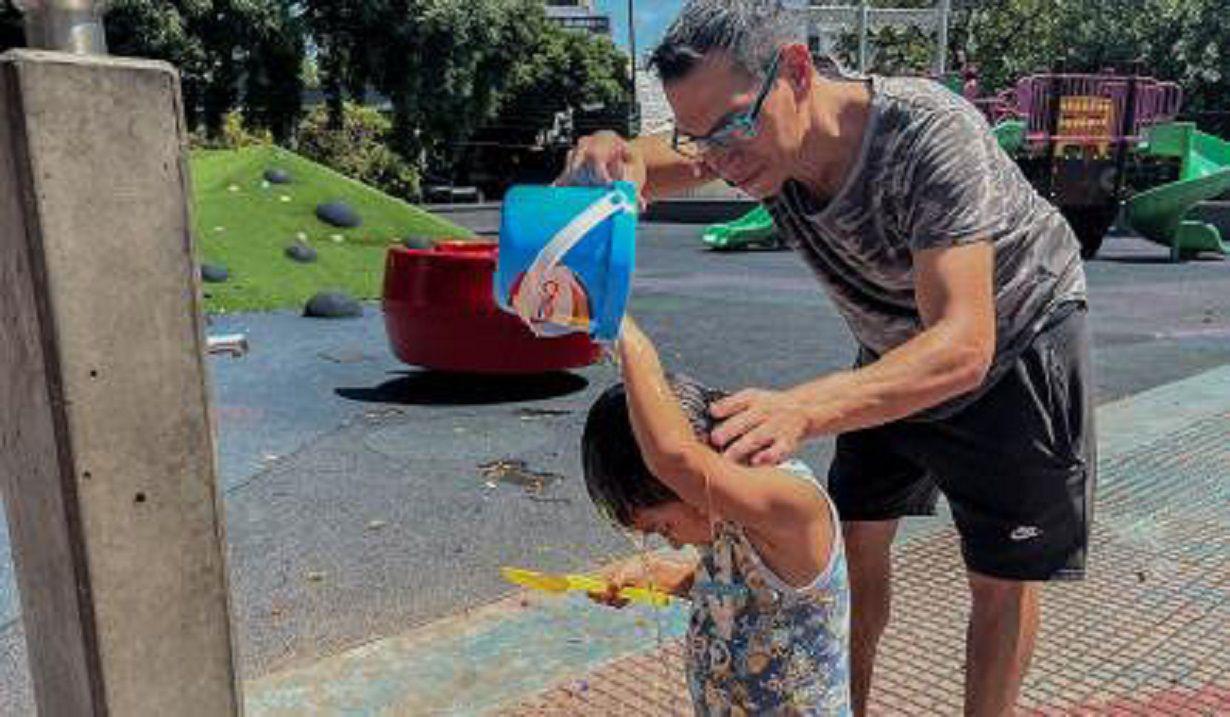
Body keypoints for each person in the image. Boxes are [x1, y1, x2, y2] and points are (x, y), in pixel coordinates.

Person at [557, 2, 1095, 715]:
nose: (721, 162)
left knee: (999, 575)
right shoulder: (749, 142)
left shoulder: (927, 134)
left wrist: (804, 408)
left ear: (798, 71)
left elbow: (965, 343)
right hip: (892, 344)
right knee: (849, 539)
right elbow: (633, 168)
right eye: (699, 140)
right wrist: (607, 155)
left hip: (1013, 337)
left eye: (733, 129)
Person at [581, 317, 850, 715]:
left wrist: (620, 328)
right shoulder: (721, 522)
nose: (674, 542)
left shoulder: (792, 509)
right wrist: (669, 575)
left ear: (689, 484)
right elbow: (749, 595)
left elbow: (676, 461)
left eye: (664, 527)